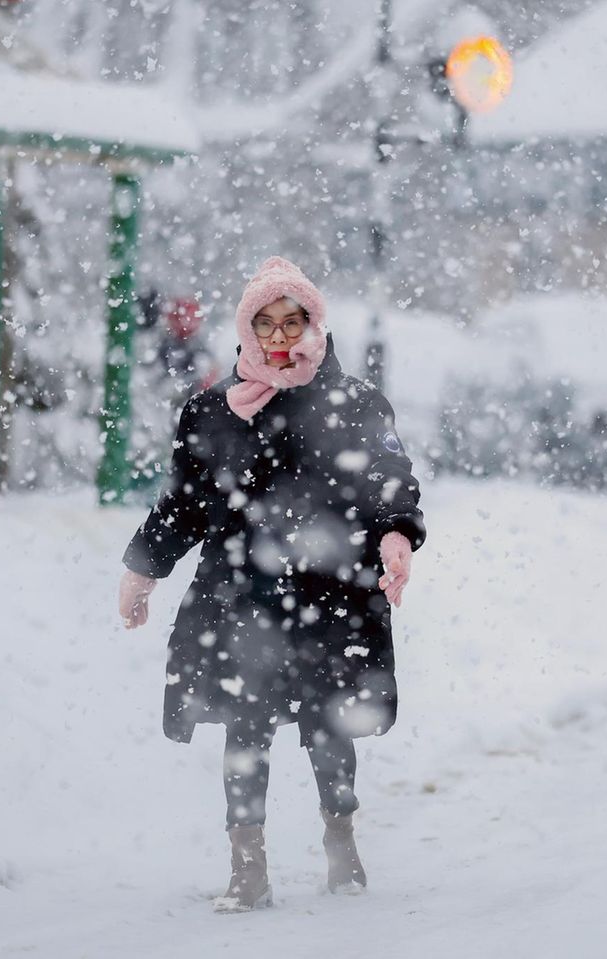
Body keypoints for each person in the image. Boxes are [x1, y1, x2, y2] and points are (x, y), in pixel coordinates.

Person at [117, 256, 425, 913]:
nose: (281, 335)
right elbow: (184, 504)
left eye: (293, 320)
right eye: (266, 323)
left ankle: (341, 840)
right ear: (247, 330)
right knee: (245, 725)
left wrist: (396, 533)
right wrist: (143, 568)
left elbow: (390, 480)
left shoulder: (355, 404)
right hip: (240, 597)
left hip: (332, 595)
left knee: (329, 723)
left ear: (315, 324)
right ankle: (247, 865)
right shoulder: (213, 411)